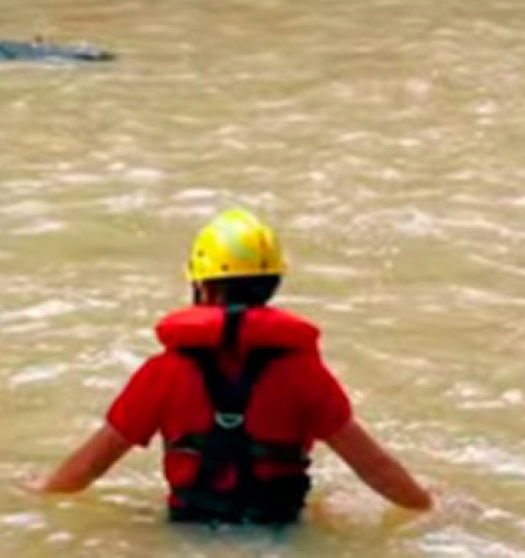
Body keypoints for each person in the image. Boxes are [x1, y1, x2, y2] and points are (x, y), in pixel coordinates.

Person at [29, 209, 433, 525]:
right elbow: (375, 468)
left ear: (201, 286)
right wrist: (427, 504)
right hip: (281, 528)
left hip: (189, 529)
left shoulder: (162, 373)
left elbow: (88, 467)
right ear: (272, 284)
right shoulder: (304, 373)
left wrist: (39, 490)